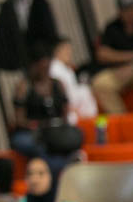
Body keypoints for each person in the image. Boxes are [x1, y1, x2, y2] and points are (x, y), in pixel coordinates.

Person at [10, 42, 83, 175]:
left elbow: (65, 112)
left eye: (47, 66)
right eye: (40, 67)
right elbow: (19, 119)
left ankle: (67, 165)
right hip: (32, 132)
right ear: (33, 66)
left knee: (74, 136)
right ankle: (56, 169)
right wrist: (37, 125)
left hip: (55, 129)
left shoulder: (57, 84)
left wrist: (59, 124)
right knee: (35, 145)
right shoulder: (24, 86)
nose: (44, 70)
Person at [49, 37, 97, 123]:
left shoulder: (67, 68)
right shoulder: (54, 69)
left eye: (70, 50)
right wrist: (71, 108)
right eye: (66, 50)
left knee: (84, 90)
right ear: (58, 51)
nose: (69, 53)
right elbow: (60, 93)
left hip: (77, 106)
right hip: (67, 108)